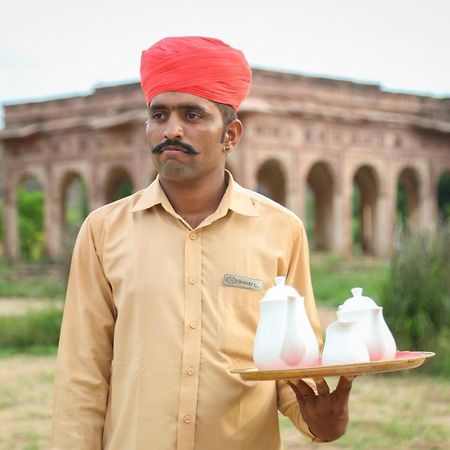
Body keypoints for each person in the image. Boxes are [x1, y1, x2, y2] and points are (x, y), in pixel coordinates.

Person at [51, 36, 354, 450]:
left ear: (231, 133)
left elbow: (293, 364)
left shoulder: (281, 230)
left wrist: (319, 422)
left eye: (192, 114)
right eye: (159, 115)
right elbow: (81, 376)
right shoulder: (104, 231)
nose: (171, 129)